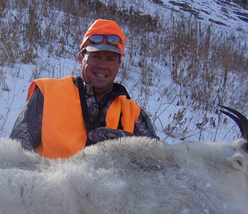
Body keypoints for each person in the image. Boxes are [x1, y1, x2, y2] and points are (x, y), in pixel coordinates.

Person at [10, 19, 159, 159]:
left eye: (110, 59)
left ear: (119, 65)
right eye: (95, 56)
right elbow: (18, 151)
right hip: (49, 184)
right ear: (81, 59)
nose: (102, 65)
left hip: (107, 186)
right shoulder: (47, 93)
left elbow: (159, 160)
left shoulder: (132, 112)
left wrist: (127, 144)